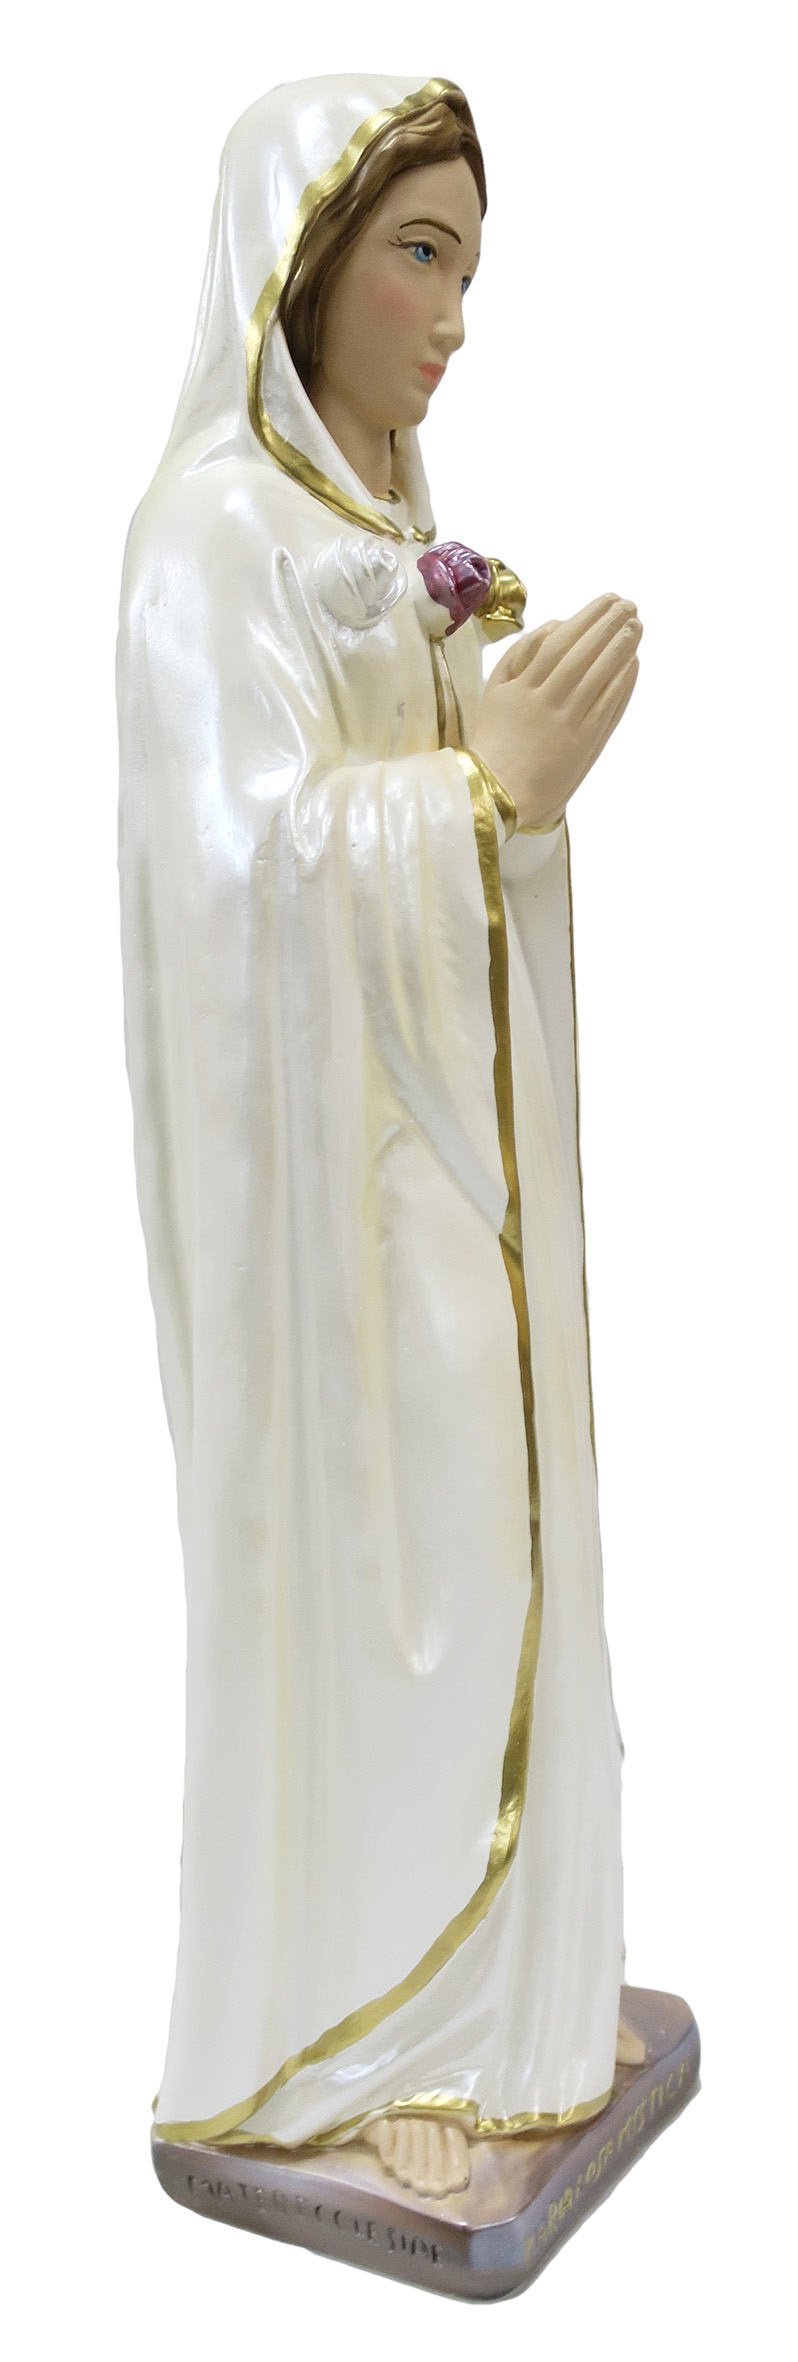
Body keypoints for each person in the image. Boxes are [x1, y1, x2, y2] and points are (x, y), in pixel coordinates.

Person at [117, 73, 643, 2203]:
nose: (451, 315)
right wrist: (476, 788)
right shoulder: (208, 543)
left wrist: (497, 768)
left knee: (509, 1513)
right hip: (329, 1212)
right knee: (397, 1558)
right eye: (419, 254)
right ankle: (368, 2019)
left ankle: (512, 1986)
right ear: (305, 256)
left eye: (467, 265)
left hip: (447, 1157)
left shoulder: (372, 513)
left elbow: (425, 801)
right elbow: (234, 882)